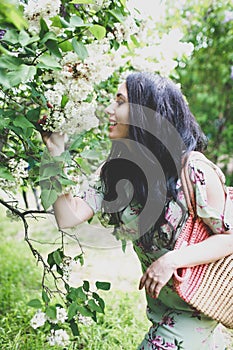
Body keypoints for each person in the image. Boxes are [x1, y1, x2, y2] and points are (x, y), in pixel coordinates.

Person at [42, 72, 233, 350]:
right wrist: (55, 154)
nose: (109, 109)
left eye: (120, 101)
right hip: (162, 312)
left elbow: (229, 237)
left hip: (195, 309)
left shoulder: (193, 170)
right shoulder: (116, 172)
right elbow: (67, 216)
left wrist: (171, 261)